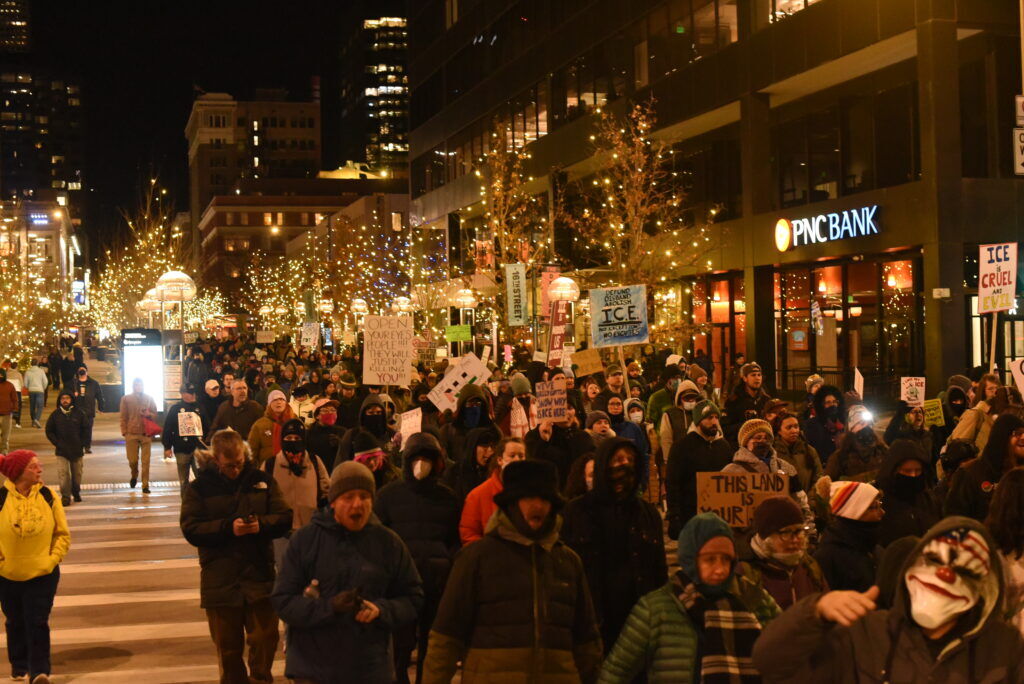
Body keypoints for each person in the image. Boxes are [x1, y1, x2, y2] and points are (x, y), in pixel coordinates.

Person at [753, 517, 1024, 683]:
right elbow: (772, 665)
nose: (944, 574)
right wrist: (814, 611)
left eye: (965, 570)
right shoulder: (865, 634)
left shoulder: (1003, 646)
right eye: (933, 559)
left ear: (983, 587)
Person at [423, 459, 602, 683]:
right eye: (528, 498)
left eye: (544, 499)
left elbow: (587, 643)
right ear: (512, 504)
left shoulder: (568, 562)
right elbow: (446, 638)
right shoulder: (477, 558)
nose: (537, 506)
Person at [272, 460, 424, 684]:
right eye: (348, 497)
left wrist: (381, 610)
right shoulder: (305, 541)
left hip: (369, 669)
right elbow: (282, 600)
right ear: (333, 502)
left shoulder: (388, 543)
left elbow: (413, 596)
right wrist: (328, 607)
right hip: (314, 668)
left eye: (364, 496)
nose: (357, 505)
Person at [598, 512, 779, 683]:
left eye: (726, 559)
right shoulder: (656, 609)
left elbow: (790, 650)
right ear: (690, 560)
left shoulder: (754, 599)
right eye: (710, 559)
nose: (720, 569)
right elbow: (616, 671)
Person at [180, 429, 292, 684]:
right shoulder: (200, 488)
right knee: (228, 650)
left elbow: (284, 516)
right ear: (215, 460)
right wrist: (226, 528)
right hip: (220, 578)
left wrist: (261, 525)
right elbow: (190, 527)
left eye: (240, 464)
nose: (236, 470)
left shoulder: (261, 480)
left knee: (265, 640)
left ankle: (260, 679)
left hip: (258, 574)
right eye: (229, 466)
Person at [562, 437, 667, 650]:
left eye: (630, 459)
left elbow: (659, 571)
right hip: (593, 623)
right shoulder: (576, 512)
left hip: (639, 621)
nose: (625, 465)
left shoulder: (647, 513)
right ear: (603, 464)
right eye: (618, 459)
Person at [375, 433, 460, 684]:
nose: (421, 464)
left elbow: (455, 538)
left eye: (427, 458)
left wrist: (448, 561)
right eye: (416, 458)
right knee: (401, 641)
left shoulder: (448, 498)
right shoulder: (389, 495)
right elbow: (378, 536)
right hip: (401, 583)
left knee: (431, 642)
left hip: (437, 581)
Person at [0, 450, 69, 684]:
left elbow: (62, 534)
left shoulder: (49, 496)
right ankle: (19, 666)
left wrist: (51, 560)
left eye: (38, 465)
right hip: (7, 574)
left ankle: (39, 671)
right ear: (19, 472)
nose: (40, 469)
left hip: (43, 573)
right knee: (15, 620)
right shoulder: (1, 498)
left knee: (37, 620)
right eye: (33, 466)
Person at [262, 419, 329, 569]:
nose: (293, 441)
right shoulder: (270, 465)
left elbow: (326, 491)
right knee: (284, 575)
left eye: (297, 438)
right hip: (280, 534)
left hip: (310, 532)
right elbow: (261, 497)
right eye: (288, 438)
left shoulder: (315, 462)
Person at [738, 496, 827, 610]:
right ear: (765, 537)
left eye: (798, 531)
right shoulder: (745, 573)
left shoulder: (809, 567)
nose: (795, 540)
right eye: (786, 533)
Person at [665, 400, 732, 538]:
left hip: (718, 515)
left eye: (716, 418)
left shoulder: (724, 447)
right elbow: (673, 483)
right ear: (698, 420)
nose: (714, 422)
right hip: (690, 515)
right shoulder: (682, 447)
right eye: (709, 418)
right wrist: (674, 515)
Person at [944, 413, 1024, 521]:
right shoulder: (970, 473)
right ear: (1002, 436)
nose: (1023, 437)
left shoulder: (1019, 473)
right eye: (1017, 433)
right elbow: (954, 518)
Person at [723, 418, 809, 518]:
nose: (762, 441)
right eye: (757, 438)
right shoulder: (731, 471)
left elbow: (800, 501)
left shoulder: (786, 468)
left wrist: (807, 524)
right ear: (746, 442)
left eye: (766, 438)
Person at [813, 480, 884, 591]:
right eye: (873, 507)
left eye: (880, 504)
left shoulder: (874, 548)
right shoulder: (828, 556)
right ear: (854, 513)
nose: (882, 512)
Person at [874, 439, 941, 547]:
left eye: (917, 470)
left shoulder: (928, 499)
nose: (913, 475)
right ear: (893, 471)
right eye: (907, 471)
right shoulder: (879, 502)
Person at [459, 437, 526, 545]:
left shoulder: (533, 492)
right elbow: (469, 534)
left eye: (521, 456)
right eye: (512, 456)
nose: (517, 460)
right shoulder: (478, 495)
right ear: (500, 460)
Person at [525, 404, 595, 490]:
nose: (566, 412)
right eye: (561, 408)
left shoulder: (583, 437)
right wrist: (543, 441)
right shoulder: (534, 436)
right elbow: (533, 467)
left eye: (570, 408)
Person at [162, 382, 208, 495]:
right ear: (182, 394)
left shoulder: (200, 407)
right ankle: (186, 504)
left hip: (198, 449)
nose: (192, 395)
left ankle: (202, 503)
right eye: (189, 393)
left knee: (201, 478)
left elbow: (207, 426)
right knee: (184, 481)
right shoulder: (175, 409)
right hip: (181, 449)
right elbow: (168, 428)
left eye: (193, 393)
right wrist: (167, 447)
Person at [44, 390, 88, 507]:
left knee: (77, 474)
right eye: (63, 398)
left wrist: (83, 444)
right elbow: (49, 431)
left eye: (67, 398)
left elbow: (86, 430)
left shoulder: (79, 413)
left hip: (77, 449)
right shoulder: (55, 415)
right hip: (62, 450)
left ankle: (76, 492)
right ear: (59, 400)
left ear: (71, 400)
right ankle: (65, 496)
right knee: (63, 474)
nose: (65, 400)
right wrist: (57, 443)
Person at [825, 405, 887, 482]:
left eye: (870, 424)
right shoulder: (840, 457)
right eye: (862, 423)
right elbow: (829, 485)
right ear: (852, 428)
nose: (867, 426)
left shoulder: (882, 451)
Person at [443, 425, 500, 502]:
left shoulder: (495, 473)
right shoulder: (454, 473)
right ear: (472, 447)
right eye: (484, 445)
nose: (490, 450)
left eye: (493, 446)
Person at [119, 378, 157, 493]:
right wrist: (124, 431)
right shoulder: (126, 399)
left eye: (140, 385)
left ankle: (145, 485)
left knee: (146, 461)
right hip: (131, 433)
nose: (139, 387)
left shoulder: (149, 398)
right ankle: (134, 474)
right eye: (136, 385)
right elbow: (123, 416)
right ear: (133, 386)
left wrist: (148, 414)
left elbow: (155, 414)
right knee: (132, 460)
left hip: (146, 433)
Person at [722, 362, 772, 446]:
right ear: (745, 378)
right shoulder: (734, 401)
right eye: (753, 375)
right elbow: (726, 428)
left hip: (764, 444)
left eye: (759, 375)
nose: (757, 378)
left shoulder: (766, 400)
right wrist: (746, 425)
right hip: (741, 445)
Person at [772, 411, 823, 494]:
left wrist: (810, 499)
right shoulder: (773, 453)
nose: (794, 430)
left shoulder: (809, 450)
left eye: (796, 426)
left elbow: (818, 477)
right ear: (779, 431)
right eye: (789, 427)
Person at [246, 390, 296, 466]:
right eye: (274, 400)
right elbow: (251, 450)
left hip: (293, 467)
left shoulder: (295, 422)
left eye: (281, 399)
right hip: (268, 469)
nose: (278, 402)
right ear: (269, 404)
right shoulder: (260, 424)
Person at [657, 379, 702, 463]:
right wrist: (668, 460)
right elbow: (666, 438)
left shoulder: (701, 412)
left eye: (693, 397)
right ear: (679, 398)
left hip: (699, 458)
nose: (690, 400)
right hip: (678, 459)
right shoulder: (670, 414)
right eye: (687, 398)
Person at [803, 384, 845, 463]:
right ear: (822, 405)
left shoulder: (843, 423)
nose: (832, 405)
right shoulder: (812, 425)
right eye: (828, 402)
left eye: (834, 402)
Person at [70, 367, 104, 454]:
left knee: (88, 429)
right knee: (78, 429)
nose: (82, 372)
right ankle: (79, 446)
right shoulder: (73, 383)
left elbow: (99, 396)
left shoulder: (93, 383)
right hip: (76, 410)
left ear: (87, 372)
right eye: (80, 371)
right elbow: (67, 395)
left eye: (83, 370)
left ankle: (87, 446)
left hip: (89, 410)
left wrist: (100, 408)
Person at [306, 399, 345, 471]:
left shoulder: (342, 432)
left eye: (333, 410)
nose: (330, 413)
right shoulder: (309, 434)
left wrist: (341, 444)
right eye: (325, 411)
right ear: (317, 416)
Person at [495, 372, 537, 439]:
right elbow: (501, 426)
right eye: (520, 394)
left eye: (526, 394)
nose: (523, 397)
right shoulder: (510, 405)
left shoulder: (535, 404)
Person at [645, 365, 682, 431]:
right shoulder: (656, 397)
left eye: (679, 378)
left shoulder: (682, 396)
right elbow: (650, 423)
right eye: (675, 378)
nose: (678, 380)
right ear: (668, 380)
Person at [24, 361, 47, 429]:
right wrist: (43, 388)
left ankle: (33, 421)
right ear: (37, 364)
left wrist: (29, 387)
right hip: (40, 390)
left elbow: (25, 383)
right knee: (40, 406)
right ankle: (36, 419)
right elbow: (45, 381)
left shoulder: (27, 372)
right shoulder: (41, 371)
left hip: (31, 390)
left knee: (32, 406)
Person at [0, 370, 18, 454]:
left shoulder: (9, 385)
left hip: (7, 413)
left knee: (5, 434)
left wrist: (15, 408)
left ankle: (4, 450)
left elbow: (14, 398)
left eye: (1, 375)